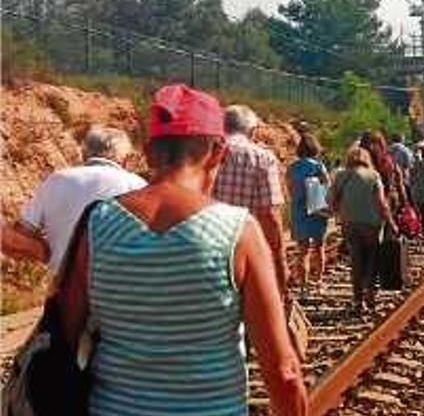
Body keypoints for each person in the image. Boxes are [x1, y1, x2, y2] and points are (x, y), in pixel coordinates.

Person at [60, 84, 307, 416]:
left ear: (148, 153)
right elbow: (284, 372)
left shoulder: (98, 223)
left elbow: (65, 337)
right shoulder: (238, 232)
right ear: (219, 152)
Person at [2, 125, 146, 272]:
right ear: (126, 159)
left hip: (66, 287)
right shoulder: (139, 186)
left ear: (84, 153)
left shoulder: (57, 180)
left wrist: (45, 252)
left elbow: (19, 238)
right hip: (121, 286)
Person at [214, 104, 288, 302]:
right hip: (248, 251)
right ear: (252, 130)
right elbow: (270, 215)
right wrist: (279, 260)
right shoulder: (262, 158)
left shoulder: (207, 153)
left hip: (209, 248)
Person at [328, 147, 398, 315]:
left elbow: (331, 200)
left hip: (350, 224)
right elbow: (381, 203)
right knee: (372, 261)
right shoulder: (373, 176)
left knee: (356, 261)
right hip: (371, 225)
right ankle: (370, 296)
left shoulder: (341, 175)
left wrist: (340, 213)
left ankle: (358, 301)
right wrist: (391, 222)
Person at [288, 133, 330, 287]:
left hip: (299, 211)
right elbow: (327, 186)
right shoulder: (318, 166)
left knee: (302, 249)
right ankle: (319, 279)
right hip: (317, 209)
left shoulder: (292, 167)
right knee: (319, 247)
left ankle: (304, 283)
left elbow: (290, 189)